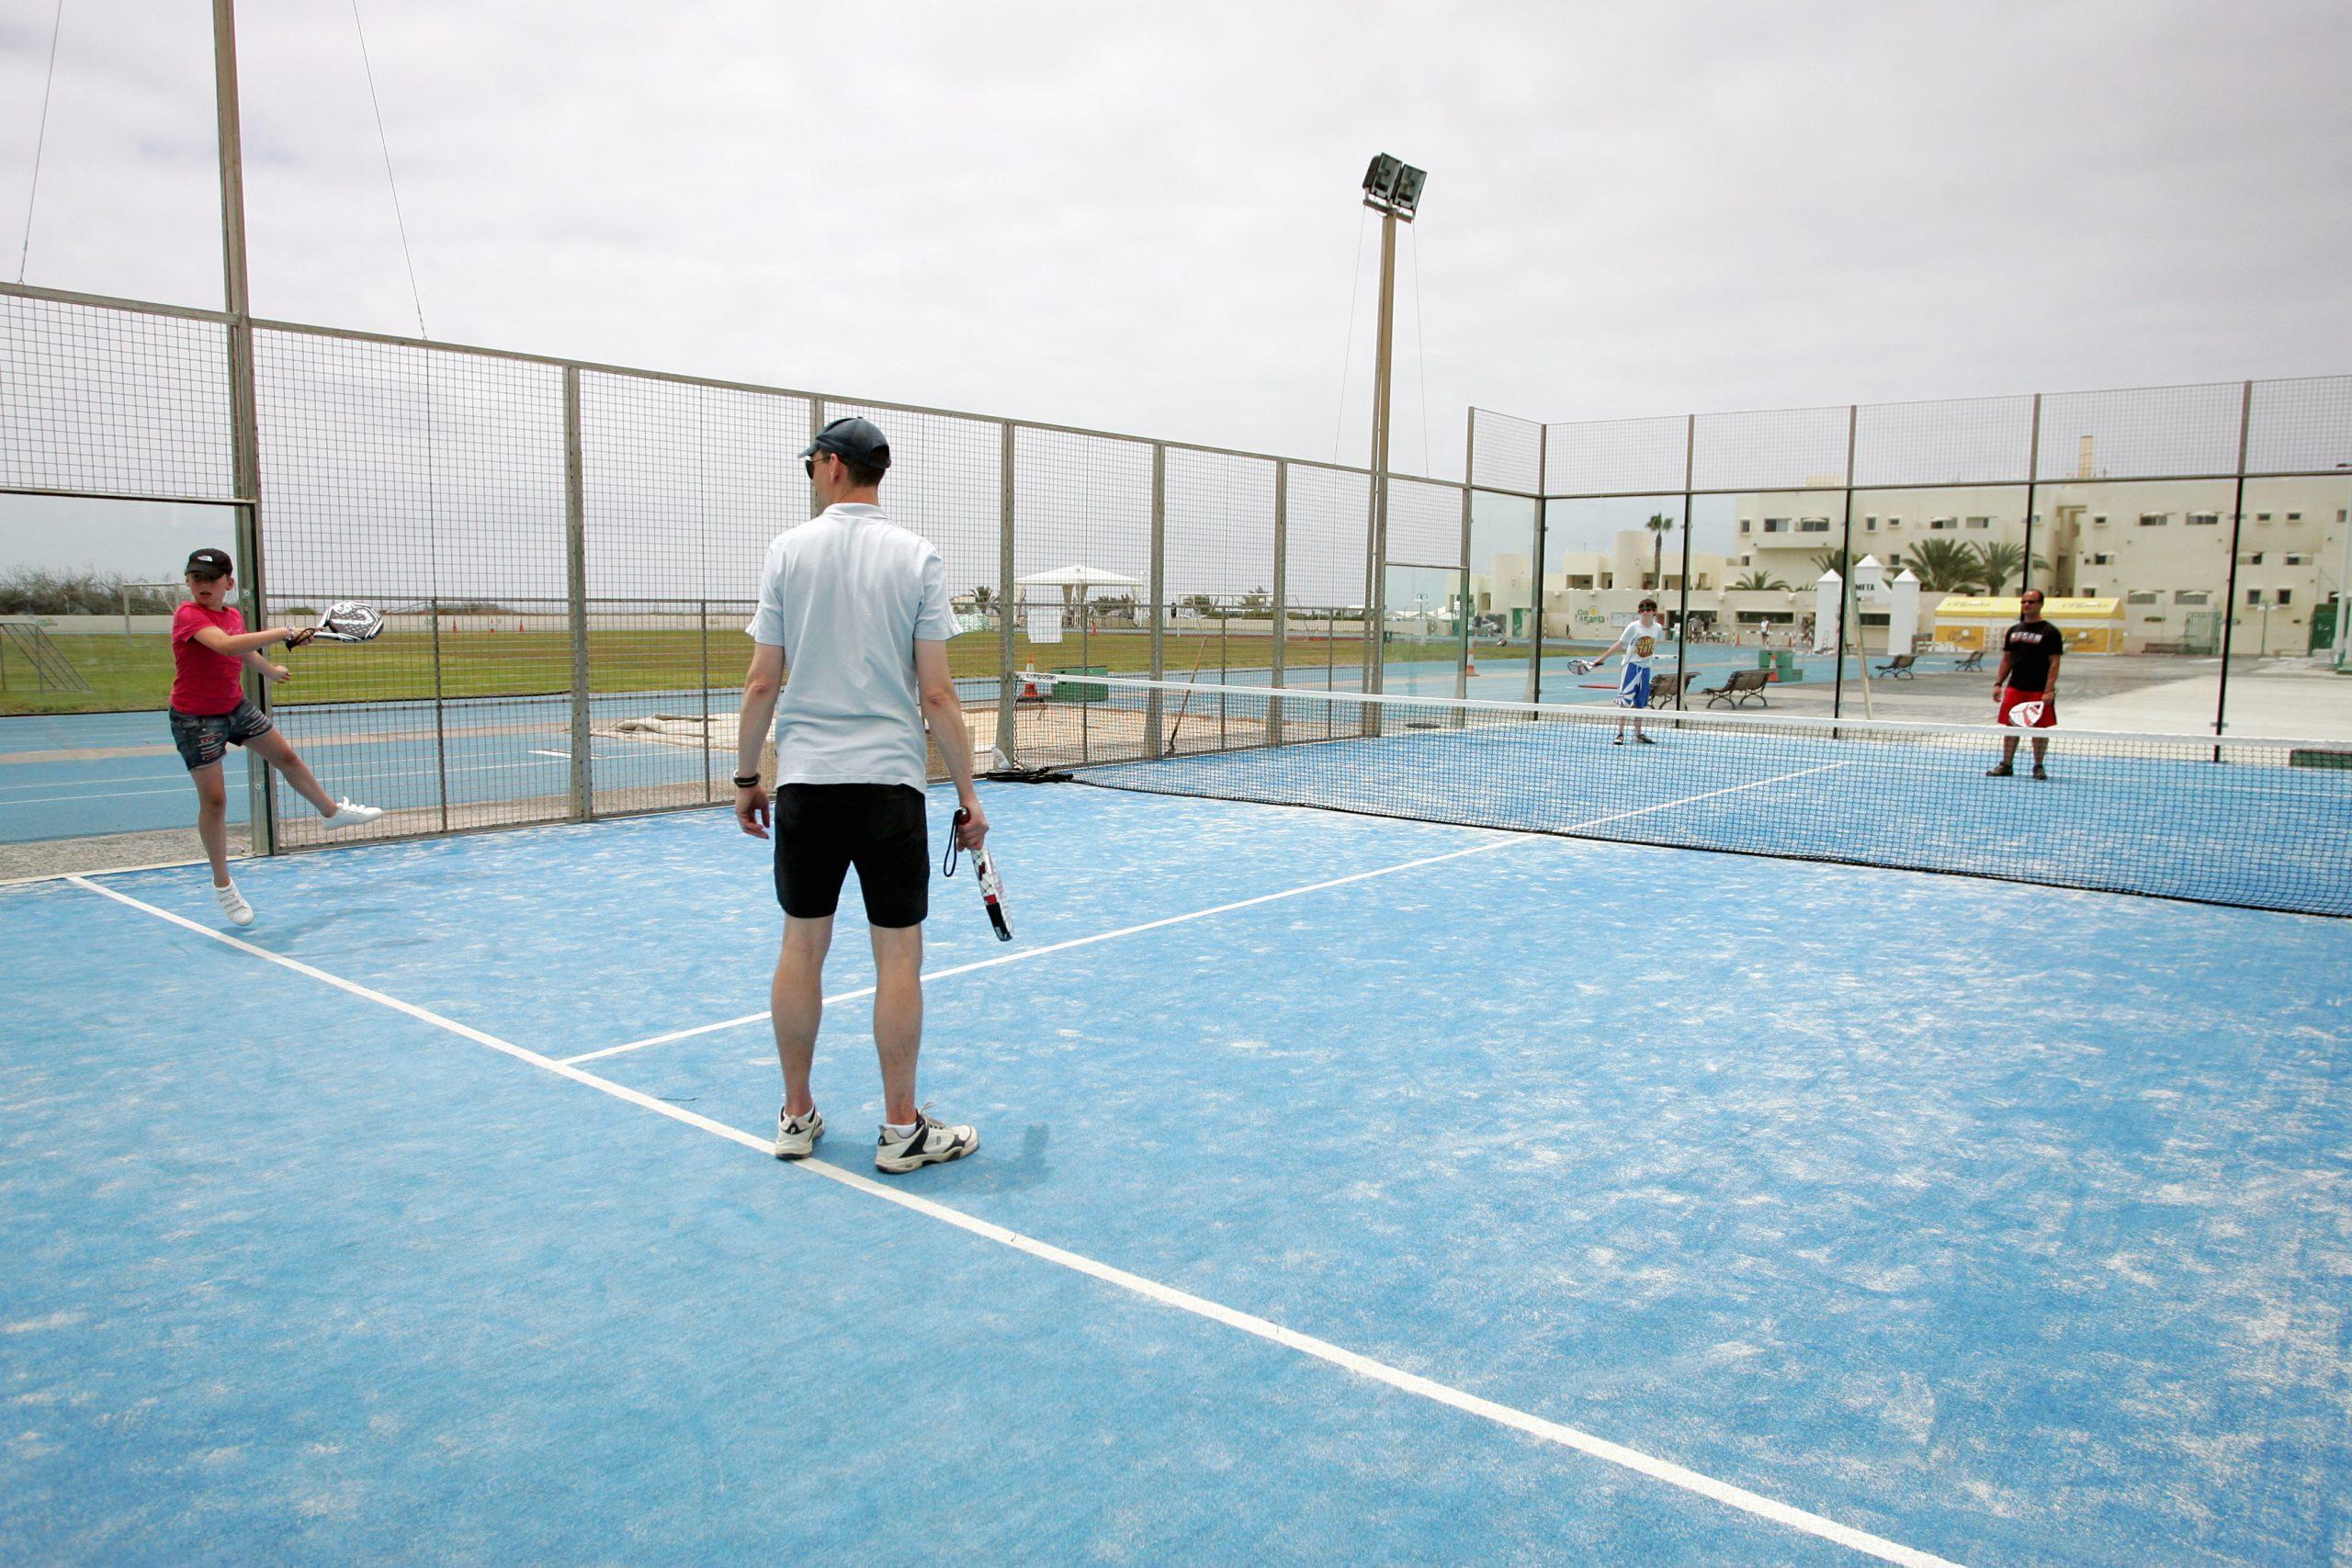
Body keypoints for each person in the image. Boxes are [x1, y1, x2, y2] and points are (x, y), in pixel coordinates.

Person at [733, 416, 989, 1176]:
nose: (809, 470)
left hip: (808, 786)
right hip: (889, 788)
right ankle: (902, 1129)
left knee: (801, 948)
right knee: (898, 959)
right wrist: (970, 798)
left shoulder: (787, 550)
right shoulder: (917, 555)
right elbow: (937, 694)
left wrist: (749, 778)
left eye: (811, 459)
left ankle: (796, 1115)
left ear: (837, 468)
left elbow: (760, 681)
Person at [168, 548, 383, 926]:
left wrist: (269, 669)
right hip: (196, 719)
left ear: (228, 583)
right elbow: (223, 645)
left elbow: (243, 649)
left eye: (211, 578)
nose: (203, 584)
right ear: (188, 581)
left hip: (234, 706)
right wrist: (285, 631)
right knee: (215, 801)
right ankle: (224, 887)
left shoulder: (232, 615)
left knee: (286, 757)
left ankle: (331, 813)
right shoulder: (188, 615)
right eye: (196, 577)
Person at [1987, 588, 2064, 780]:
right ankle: (2006, 764)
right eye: (2024, 602)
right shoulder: (2014, 631)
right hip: (2015, 687)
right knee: (2011, 725)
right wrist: (1998, 684)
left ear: (2040, 605)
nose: (2026, 605)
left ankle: (2038, 766)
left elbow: (2054, 663)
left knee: (2039, 728)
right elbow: (2007, 659)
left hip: (2039, 689)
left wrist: (2048, 690)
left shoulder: (2050, 632)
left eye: (2031, 602)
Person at [1590, 597, 1669, 745]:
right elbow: (1620, 644)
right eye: (1643, 610)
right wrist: (1600, 659)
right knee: (1625, 701)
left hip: (1646, 668)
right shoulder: (1633, 627)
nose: (1645, 613)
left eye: (1649, 610)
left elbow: (1652, 645)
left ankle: (1638, 733)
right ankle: (1620, 733)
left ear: (1654, 612)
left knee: (1641, 702)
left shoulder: (1657, 628)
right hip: (1631, 666)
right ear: (1639, 612)